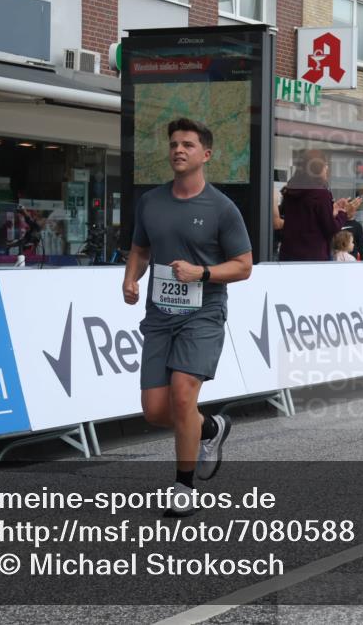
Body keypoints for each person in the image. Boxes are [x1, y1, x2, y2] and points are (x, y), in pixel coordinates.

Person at [122, 118, 252, 518]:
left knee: (182, 395)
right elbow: (140, 249)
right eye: (174, 144)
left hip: (203, 313)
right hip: (160, 315)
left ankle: (183, 487)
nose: (179, 150)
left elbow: (244, 266)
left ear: (205, 155)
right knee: (156, 410)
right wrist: (130, 279)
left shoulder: (222, 208)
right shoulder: (152, 202)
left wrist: (204, 273)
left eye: (188, 145)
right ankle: (211, 428)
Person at [278, 150, 360, 261]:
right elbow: (331, 228)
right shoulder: (321, 194)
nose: (327, 169)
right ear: (317, 169)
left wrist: (332, 209)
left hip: (288, 255)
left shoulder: (292, 191)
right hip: (313, 258)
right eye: (325, 165)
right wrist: (344, 213)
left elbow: (308, 220)